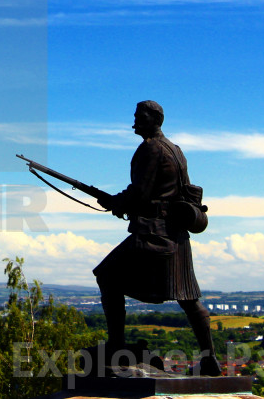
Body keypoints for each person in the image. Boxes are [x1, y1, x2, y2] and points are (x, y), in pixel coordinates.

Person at [94, 100, 220, 376]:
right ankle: (210, 359)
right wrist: (122, 204)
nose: (134, 122)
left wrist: (116, 202)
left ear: (155, 119)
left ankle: (116, 347)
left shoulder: (151, 148)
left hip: (155, 235)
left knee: (106, 274)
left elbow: (140, 194)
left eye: (140, 117)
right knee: (188, 297)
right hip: (176, 234)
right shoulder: (175, 150)